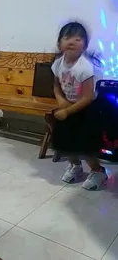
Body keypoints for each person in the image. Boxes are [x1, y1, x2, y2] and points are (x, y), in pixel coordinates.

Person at [51, 21, 108, 190]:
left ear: (85, 45)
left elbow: (88, 97)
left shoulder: (84, 67)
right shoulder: (58, 63)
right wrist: (60, 99)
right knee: (65, 143)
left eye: (78, 38)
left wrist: (67, 111)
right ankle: (75, 166)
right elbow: (56, 85)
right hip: (67, 106)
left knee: (86, 146)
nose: (72, 41)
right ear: (60, 43)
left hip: (86, 110)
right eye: (67, 37)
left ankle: (98, 171)